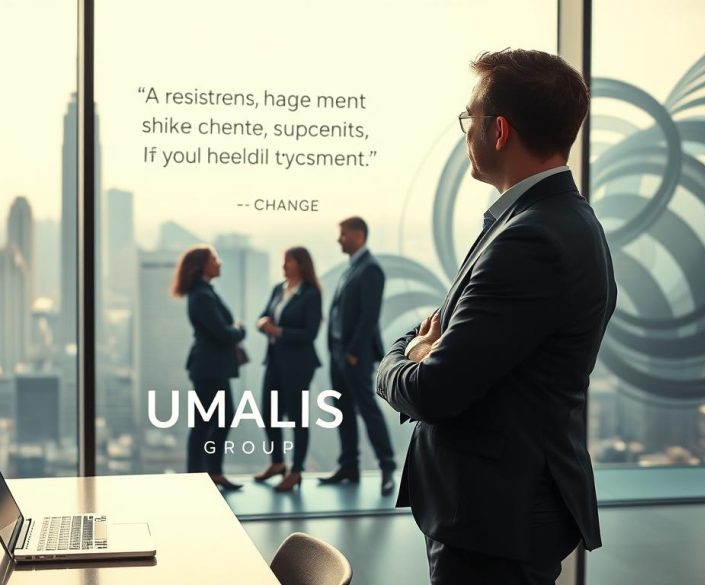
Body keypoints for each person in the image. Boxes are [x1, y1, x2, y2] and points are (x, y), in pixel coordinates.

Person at [375, 49, 616, 585]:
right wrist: (420, 349)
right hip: (500, 511)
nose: (466, 132)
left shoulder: (530, 239)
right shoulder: (553, 221)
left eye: (469, 119)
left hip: (493, 519)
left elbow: (433, 388)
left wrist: (399, 358)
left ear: (499, 130)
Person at [322, 216, 396, 495]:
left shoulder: (371, 269)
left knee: (367, 409)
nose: (339, 239)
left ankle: (387, 467)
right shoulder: (353, 267)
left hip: (355, 354)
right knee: (343, 411)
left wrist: (353, 352)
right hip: (339, 353)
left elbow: (369, 316)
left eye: (343, 234)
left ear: (359, 235)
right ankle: (349, 466)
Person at [171, 244, 245, 491]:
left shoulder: (203, 292)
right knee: (208, 422)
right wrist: (239, 329)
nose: (219, 262)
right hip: (209, 368)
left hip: (212, 368)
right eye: (214, 259)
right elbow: (223, 333)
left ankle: (209, 473)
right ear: (202, 265)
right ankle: (201, 475)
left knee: (215, 420)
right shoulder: (202, 295)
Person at [252, 246, 323, 492]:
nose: (283, 265)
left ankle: (296, 471)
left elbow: (310, 333)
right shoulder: (278, 289)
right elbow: (264, 315)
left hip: (299, 365)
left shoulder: (311, 294)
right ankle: (277, 462)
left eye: (288, 261)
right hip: (274, 361)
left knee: (297, 419)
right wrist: (262, 323)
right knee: (268, 414)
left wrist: (278, 331)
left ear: (301, 264)